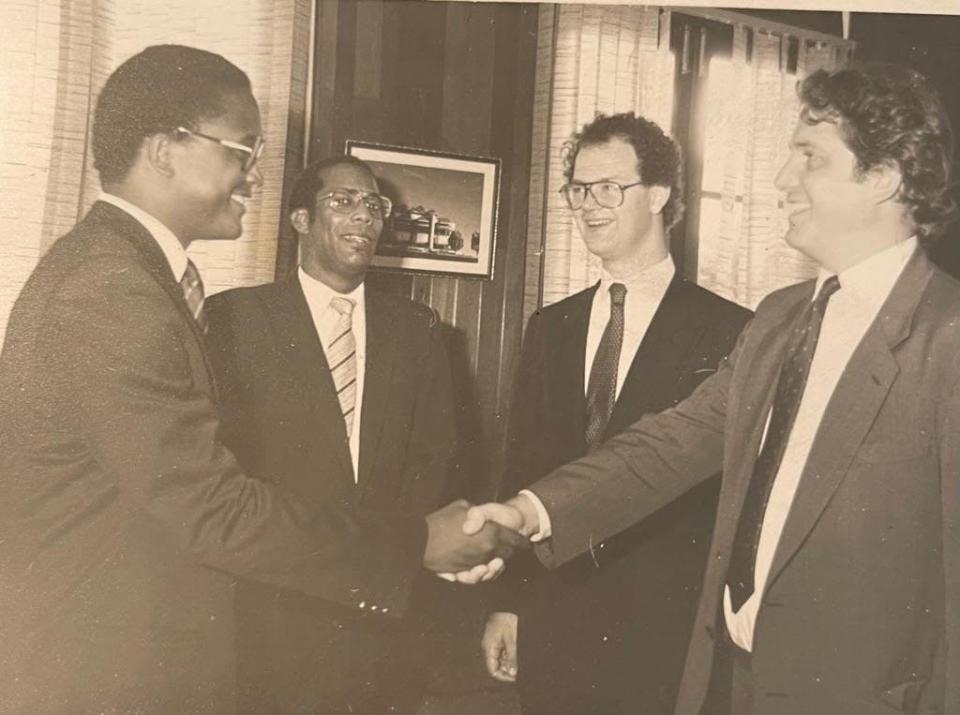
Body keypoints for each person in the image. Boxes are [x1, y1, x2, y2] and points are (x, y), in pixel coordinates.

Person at [0, 44, 517, 715]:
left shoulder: (122, 273)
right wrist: (418, 542)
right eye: (241, 152)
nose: (253, 175)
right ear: (166, 149)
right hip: (104, 672)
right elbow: (214, 510)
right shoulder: (110, 289)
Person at [467, 63, 960, 714]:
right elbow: (670, 443)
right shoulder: (783, 317)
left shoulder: (946, 338)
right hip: (728, 682)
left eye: (808, 158)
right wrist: (530, 510)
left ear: (884, 177)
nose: (783, 180)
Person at [481, 112, 750, 714]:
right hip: (554, 612)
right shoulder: (550, 326)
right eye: (578, 188)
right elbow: (520, 468)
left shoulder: (731, 329)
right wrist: (510, 602)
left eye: (609, 188)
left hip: (663, 625)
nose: (587, 205)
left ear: (658, 195)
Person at [205, 155, 459, 714]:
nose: (363, 216)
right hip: (272, 607)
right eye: (343, 201)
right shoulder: (233, 320)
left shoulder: (417, 329)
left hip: (383, 610)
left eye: (374, 205)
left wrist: (388, 557)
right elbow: (223, 469)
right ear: (299, 219)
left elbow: (435, 456)